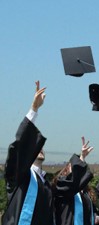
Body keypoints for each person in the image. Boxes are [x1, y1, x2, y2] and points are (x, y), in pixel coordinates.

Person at [2, 81, 54, 225]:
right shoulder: (20, 175)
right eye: (37, 148)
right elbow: (18, 149)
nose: (41, 149)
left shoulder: (45, 184)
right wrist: (34, 109)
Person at [52, 137, 99, 225]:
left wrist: (95, 216)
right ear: (66, 169)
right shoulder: (61, 187)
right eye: (73, 166)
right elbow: (72, 184)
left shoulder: (85, 194)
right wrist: (82, 158)